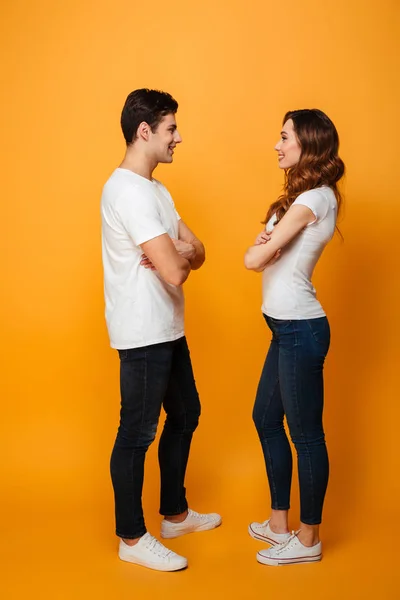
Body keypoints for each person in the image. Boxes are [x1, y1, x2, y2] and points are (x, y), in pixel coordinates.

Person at [101, 88, 221, 572]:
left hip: (167, 326)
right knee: (137, 432)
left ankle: (174, 513)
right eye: (171, 129)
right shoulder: (126, 190)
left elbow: (198, 251)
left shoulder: (157, 191)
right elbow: (175, 270)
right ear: (144, 131)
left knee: (186, 412)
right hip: (143, 329)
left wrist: (176, 249)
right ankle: (131, 536)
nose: (179, 137)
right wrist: (177, 253)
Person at [244, 109, 345, 566]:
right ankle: (279, 523)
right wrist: (266, 248)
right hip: (283, 329)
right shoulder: (295, 201)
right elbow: (258, 254)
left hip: (302, 329)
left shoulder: (318, 198)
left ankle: (308, 540)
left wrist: (266, 247)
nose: (276, 144)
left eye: (284, 136)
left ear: (307, 143)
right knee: (266, 419)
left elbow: (252, 259)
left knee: (305, 435)